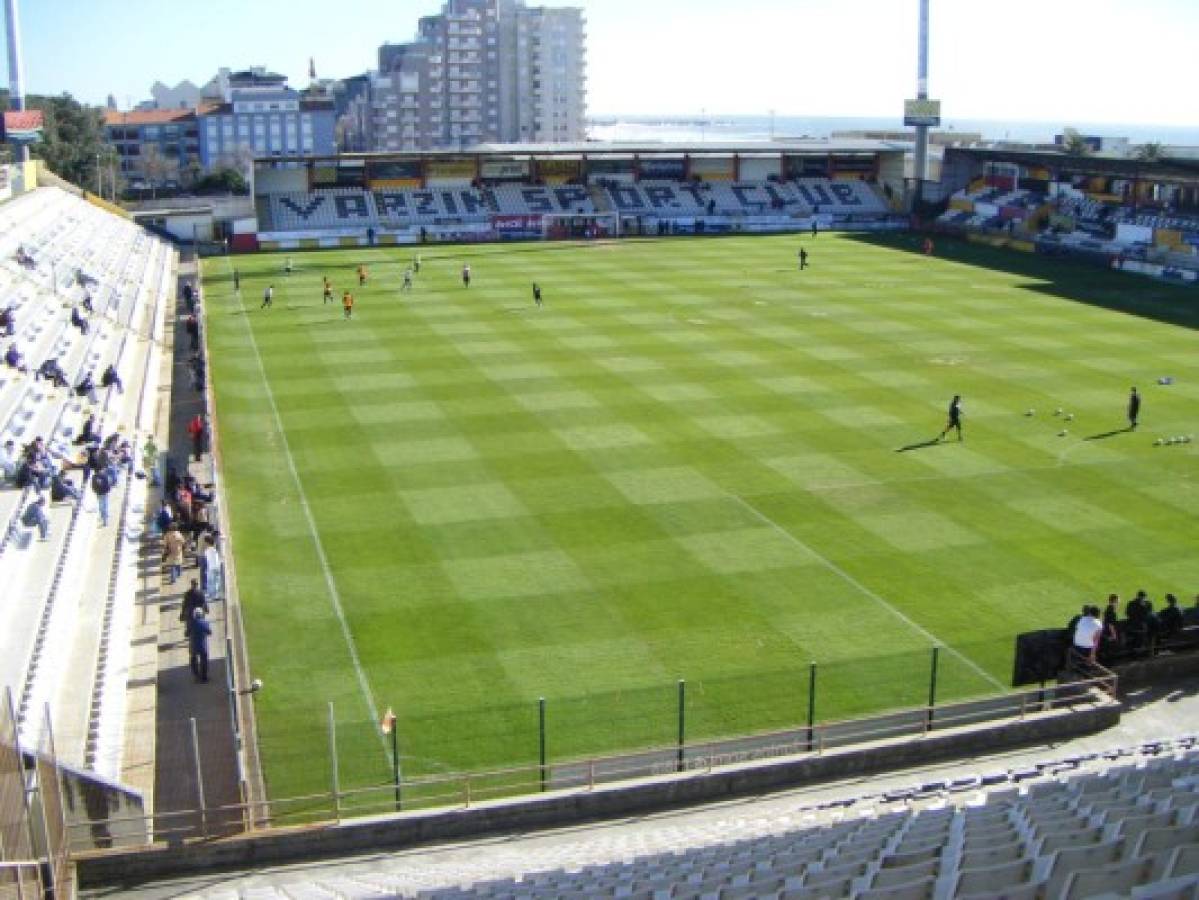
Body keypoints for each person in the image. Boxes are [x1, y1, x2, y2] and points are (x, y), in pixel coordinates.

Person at [188, 608, 212, 683]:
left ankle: (196, 676)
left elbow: (186, 633)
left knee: (193, 660)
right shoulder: (205, 622)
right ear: (201, 615)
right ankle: (204, 677)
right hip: (202, 645)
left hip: (193, 646)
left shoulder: (191, 623)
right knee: (204, 660)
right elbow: (209, 632)